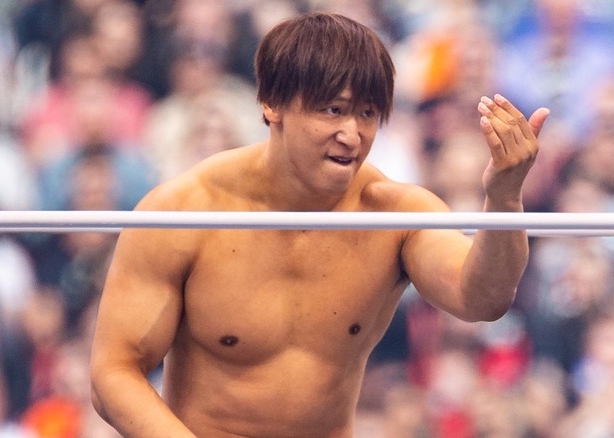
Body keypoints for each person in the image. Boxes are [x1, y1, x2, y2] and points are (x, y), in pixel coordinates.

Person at [90, 12, 549, 437]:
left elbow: (483, 298)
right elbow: (114, 372)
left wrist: (505, 196)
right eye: (332, 110)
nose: (352, 134)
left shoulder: (396, 214)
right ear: (272, 104)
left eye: (367, 113)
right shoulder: (184, 210)